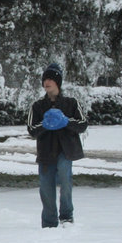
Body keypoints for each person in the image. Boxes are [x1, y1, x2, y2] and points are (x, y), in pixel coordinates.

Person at [26, 63, 87, 228]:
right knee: (46, 187)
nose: (47, 82)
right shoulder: (37, 106)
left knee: (66, 182)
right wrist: (44, 125)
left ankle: (67, 217)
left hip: (66, 151)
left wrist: (66, 122)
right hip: (46, 153)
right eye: (45, 79)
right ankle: (49, 221)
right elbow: (32, 129)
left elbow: (82, 124)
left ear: (58, 82)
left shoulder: (71, 103)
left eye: (51, 79)